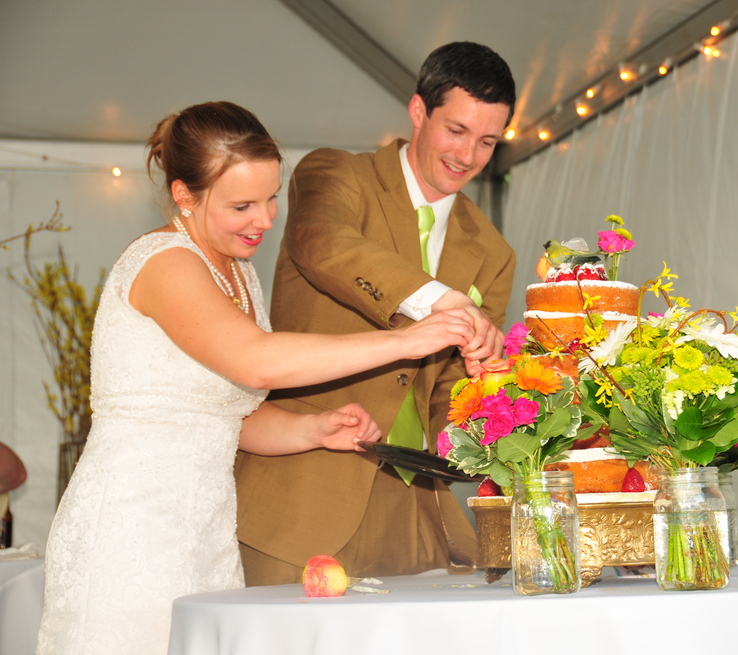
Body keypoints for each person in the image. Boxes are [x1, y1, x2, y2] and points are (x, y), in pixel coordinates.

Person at [35, 101, 482, 655]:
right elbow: (255, 360)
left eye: (271, 198)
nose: (266, 220)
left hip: (208, 528)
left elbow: (232, 417)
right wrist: (407, 340)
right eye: (242, 205)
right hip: (133, 526)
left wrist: (312, 429)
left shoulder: (238, 273)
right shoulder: (165, 262)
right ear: (184, 195)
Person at [234, 41, 517, 583]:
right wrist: (441, 299)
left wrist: (493, 388)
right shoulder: (335, 173)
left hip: (418, 511)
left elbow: (448, 398)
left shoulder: (493, 250)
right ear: (418, 111)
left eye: (487, 142)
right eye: (456, 131)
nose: (467, 156)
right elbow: (325, 245)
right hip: (302, 500)